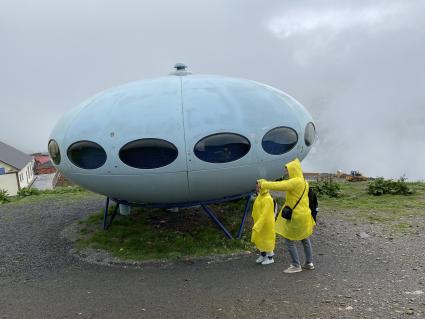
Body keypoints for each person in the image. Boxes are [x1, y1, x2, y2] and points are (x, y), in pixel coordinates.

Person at [257, 158, 315, 273]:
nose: (286, 172)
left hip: (296, 216)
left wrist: (263, 183)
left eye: (287, 170)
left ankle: (296, 265)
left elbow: (279, 185)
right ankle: (309, 263)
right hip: (305, 215)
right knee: (304, 238)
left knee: (289, 239)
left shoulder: (295, 182)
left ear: (293, 170)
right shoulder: (304, 181)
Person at [251, 179, 276, 265]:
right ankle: (263, 255)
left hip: (266, 224)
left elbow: (265, 214)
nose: (256, 187)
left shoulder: (267, 198)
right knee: (260, 239)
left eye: (258, 185)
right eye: (256, 185)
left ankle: (270, 257)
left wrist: (258, 224)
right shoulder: (260, 196)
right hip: (259, 222)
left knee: (267, 240)